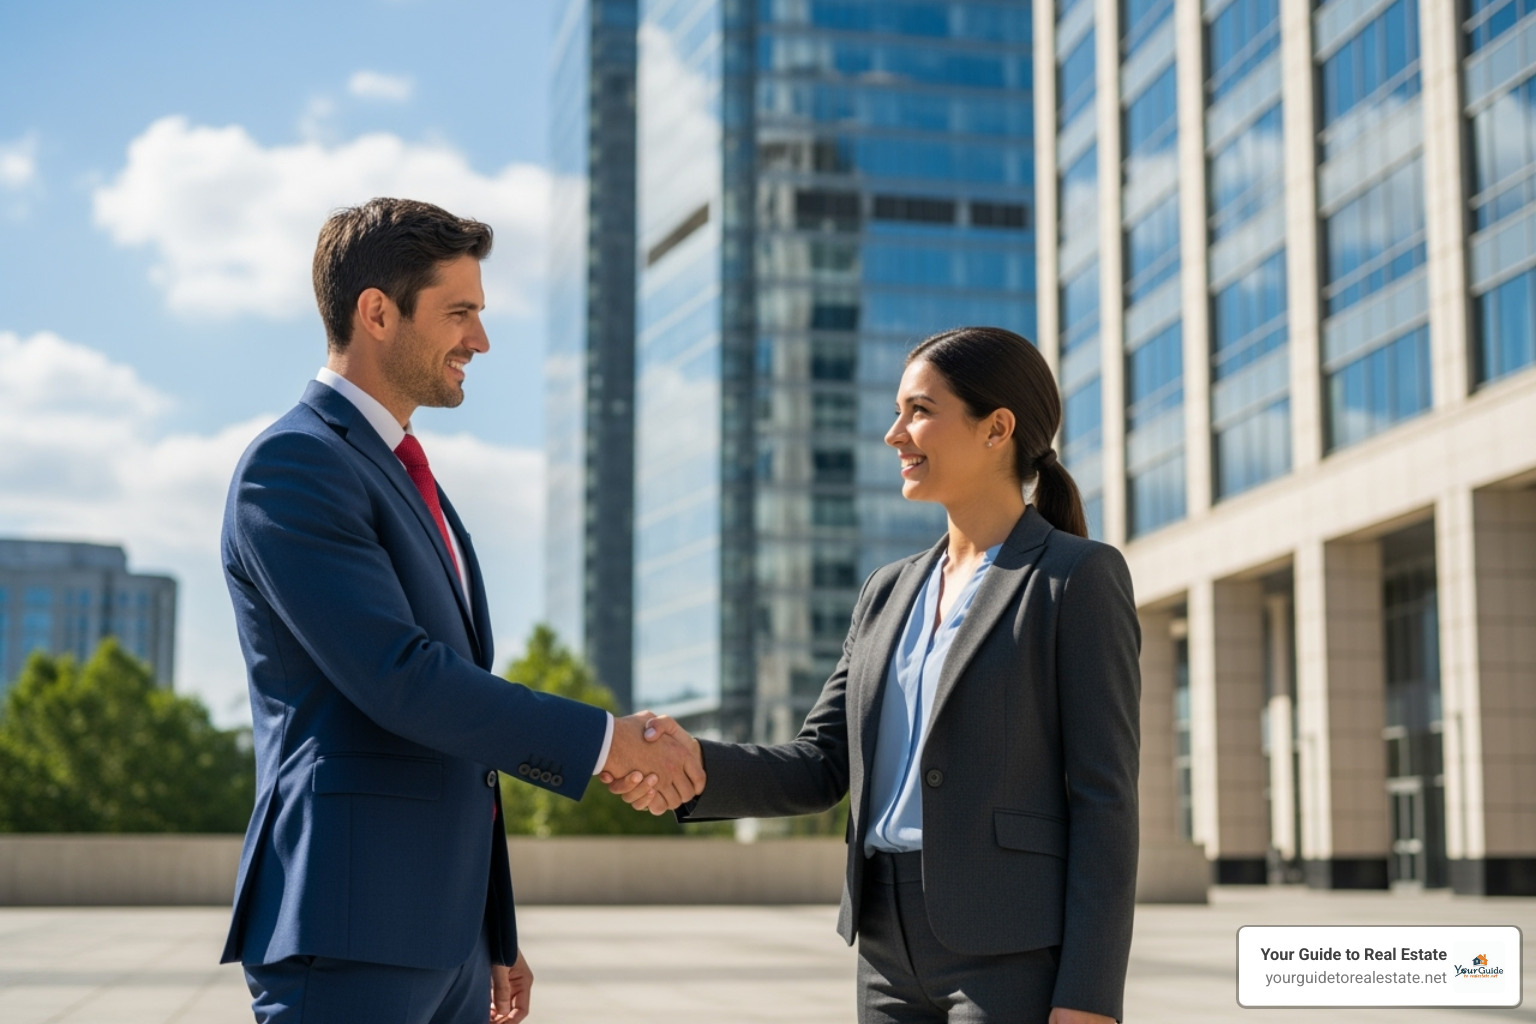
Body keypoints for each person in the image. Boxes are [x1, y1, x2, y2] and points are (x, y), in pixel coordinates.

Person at [220, 197, 704, 1024]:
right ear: (377, 312)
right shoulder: (294, 464)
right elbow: (402, 679)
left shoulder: (408, 476)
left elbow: (456, 735)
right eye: (460, 313)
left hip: (440, 938)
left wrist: (493, 926)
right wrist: (604, 741)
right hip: (349, 930)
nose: (480, 340)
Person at [608, 326, 1141, 1023]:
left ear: (996, 429)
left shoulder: (1075, 578)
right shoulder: (888, 591)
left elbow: (1105, 802)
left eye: (919, 410)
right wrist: (695, 763)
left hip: (1009, 955)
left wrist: (1089, 998)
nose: (895, 434)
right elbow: (823, 764)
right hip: (884, 949)